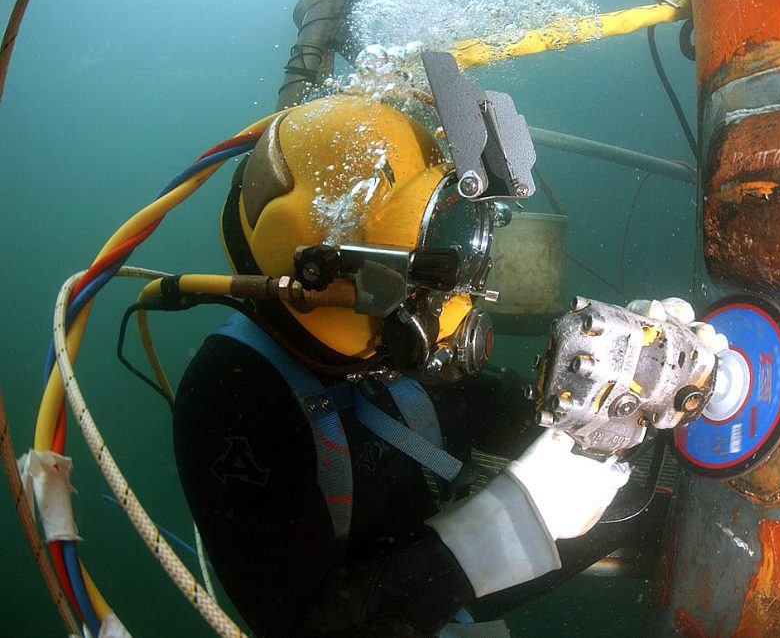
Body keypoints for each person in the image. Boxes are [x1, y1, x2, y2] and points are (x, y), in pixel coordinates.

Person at [172, 87, 708, 637]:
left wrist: (629, 384)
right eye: (432, 262)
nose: (458, 297)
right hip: (395, 607)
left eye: (465, 233)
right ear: (329, 274)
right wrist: (494, 533)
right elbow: (310, 625)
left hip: (438, 571)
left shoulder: (384, 338)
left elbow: (507, 420)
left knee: (656, 508)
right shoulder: (229, 400)